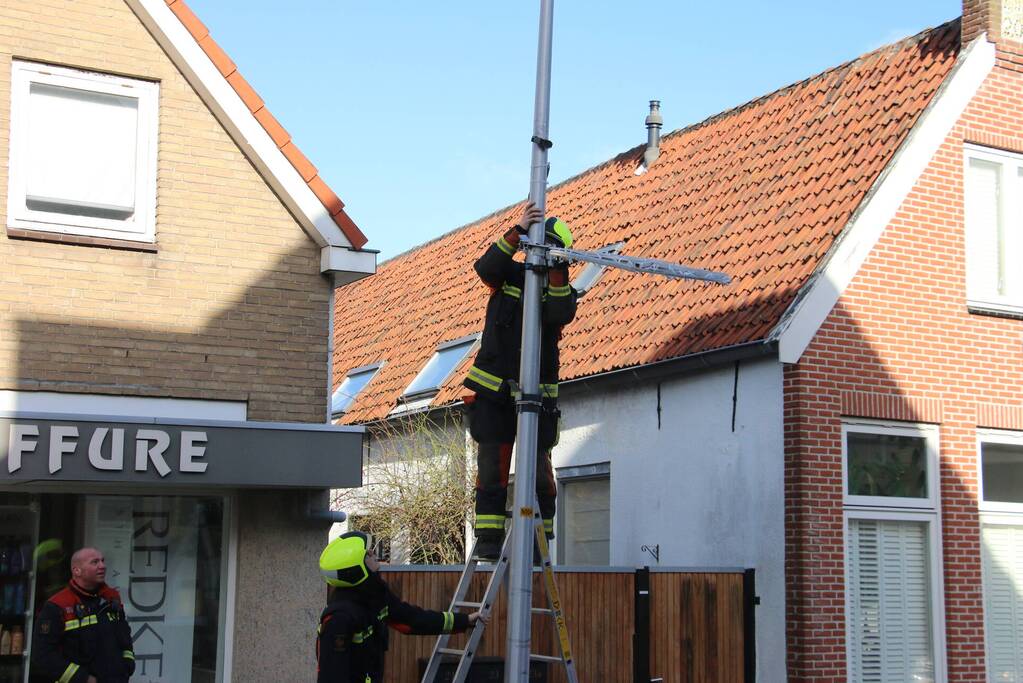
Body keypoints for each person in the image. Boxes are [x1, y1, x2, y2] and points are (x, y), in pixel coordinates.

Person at [463, 201, 578, 560]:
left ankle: (539, 541)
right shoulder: (510, 276)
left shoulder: (560, 290)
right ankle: (489, 540)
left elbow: (559, 311)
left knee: (540, 473)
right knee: (492, 469)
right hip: (495, 393)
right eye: (532, 245)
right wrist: (517, 231)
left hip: (537, 400)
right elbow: (486, 268)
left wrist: (558, 265)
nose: (534, 253)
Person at [316, 531, 485, 682]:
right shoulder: (339, 619)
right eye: (367, 554)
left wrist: (464, 620)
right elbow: (332, 676)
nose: (373, 553)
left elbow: (412, 619)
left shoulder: (375, 597)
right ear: (355, 570)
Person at [32, 547, 134, 683]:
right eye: (95, 562)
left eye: (103, 561)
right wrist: (83, 679)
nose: (102, 566)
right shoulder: (57, 605)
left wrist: (128, 664)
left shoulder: (111, 597)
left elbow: (124, 634)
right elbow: (43, 655)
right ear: (76, 570)